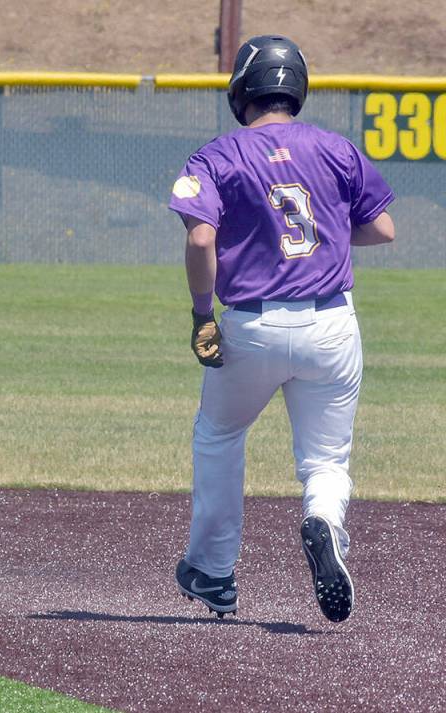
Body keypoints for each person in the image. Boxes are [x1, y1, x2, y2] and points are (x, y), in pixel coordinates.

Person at [168, 35, 395, 622]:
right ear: (297, 88)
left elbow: (200, 237)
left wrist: (200, 313)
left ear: (241, 88)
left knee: (220, 436)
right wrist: (328, 238)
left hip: (253, 325)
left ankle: (214, 573)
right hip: (333, 323)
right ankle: (323, 521)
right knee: (325, 461)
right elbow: (383, 228)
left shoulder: (216, 155)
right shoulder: (336, 147)